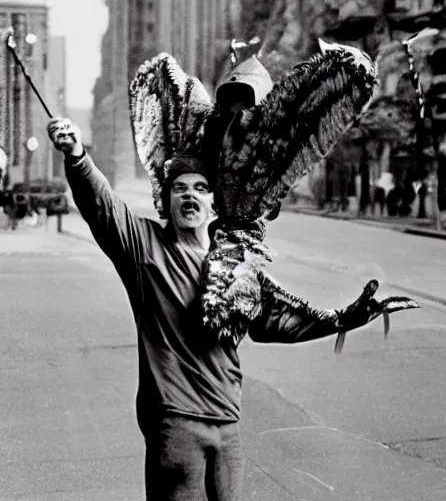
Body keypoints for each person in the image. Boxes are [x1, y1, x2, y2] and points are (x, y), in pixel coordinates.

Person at [47, 114, 410, 501]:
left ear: (214, 204)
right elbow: (101, 205)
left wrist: (344, 319)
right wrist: (77, 155)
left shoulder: (236, 261)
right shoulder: (144, 247)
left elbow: (277, 320)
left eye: (200, 189)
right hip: (175, 420)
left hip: (227, 423)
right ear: (166, 202)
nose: (190, 196)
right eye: (179, 189)